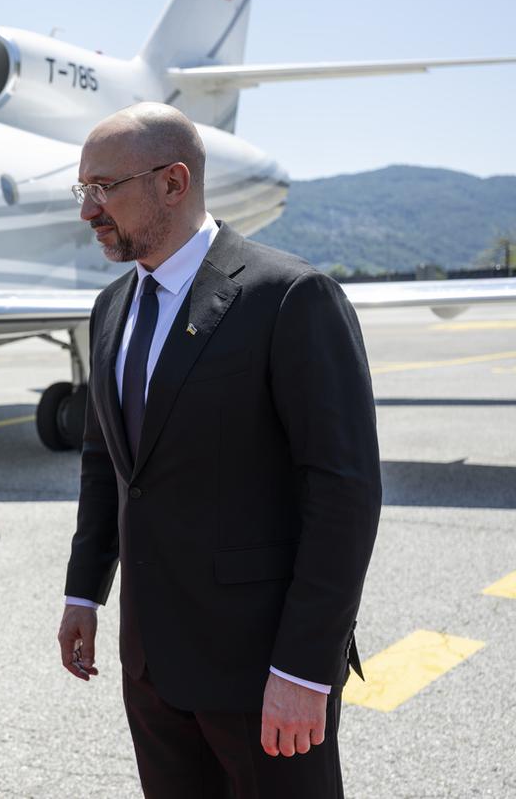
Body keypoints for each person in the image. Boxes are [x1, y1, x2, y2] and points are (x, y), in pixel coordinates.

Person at [56, 102, 381, 798]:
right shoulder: (111, 306)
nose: (88, 210)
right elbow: (105, 465)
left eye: (103, 188)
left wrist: (304, 672)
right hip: (151, 666)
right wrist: (84, 589)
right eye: (82, 190)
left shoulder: (289, 296)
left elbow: (343, 496)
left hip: (261, 670)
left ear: (174, 183)